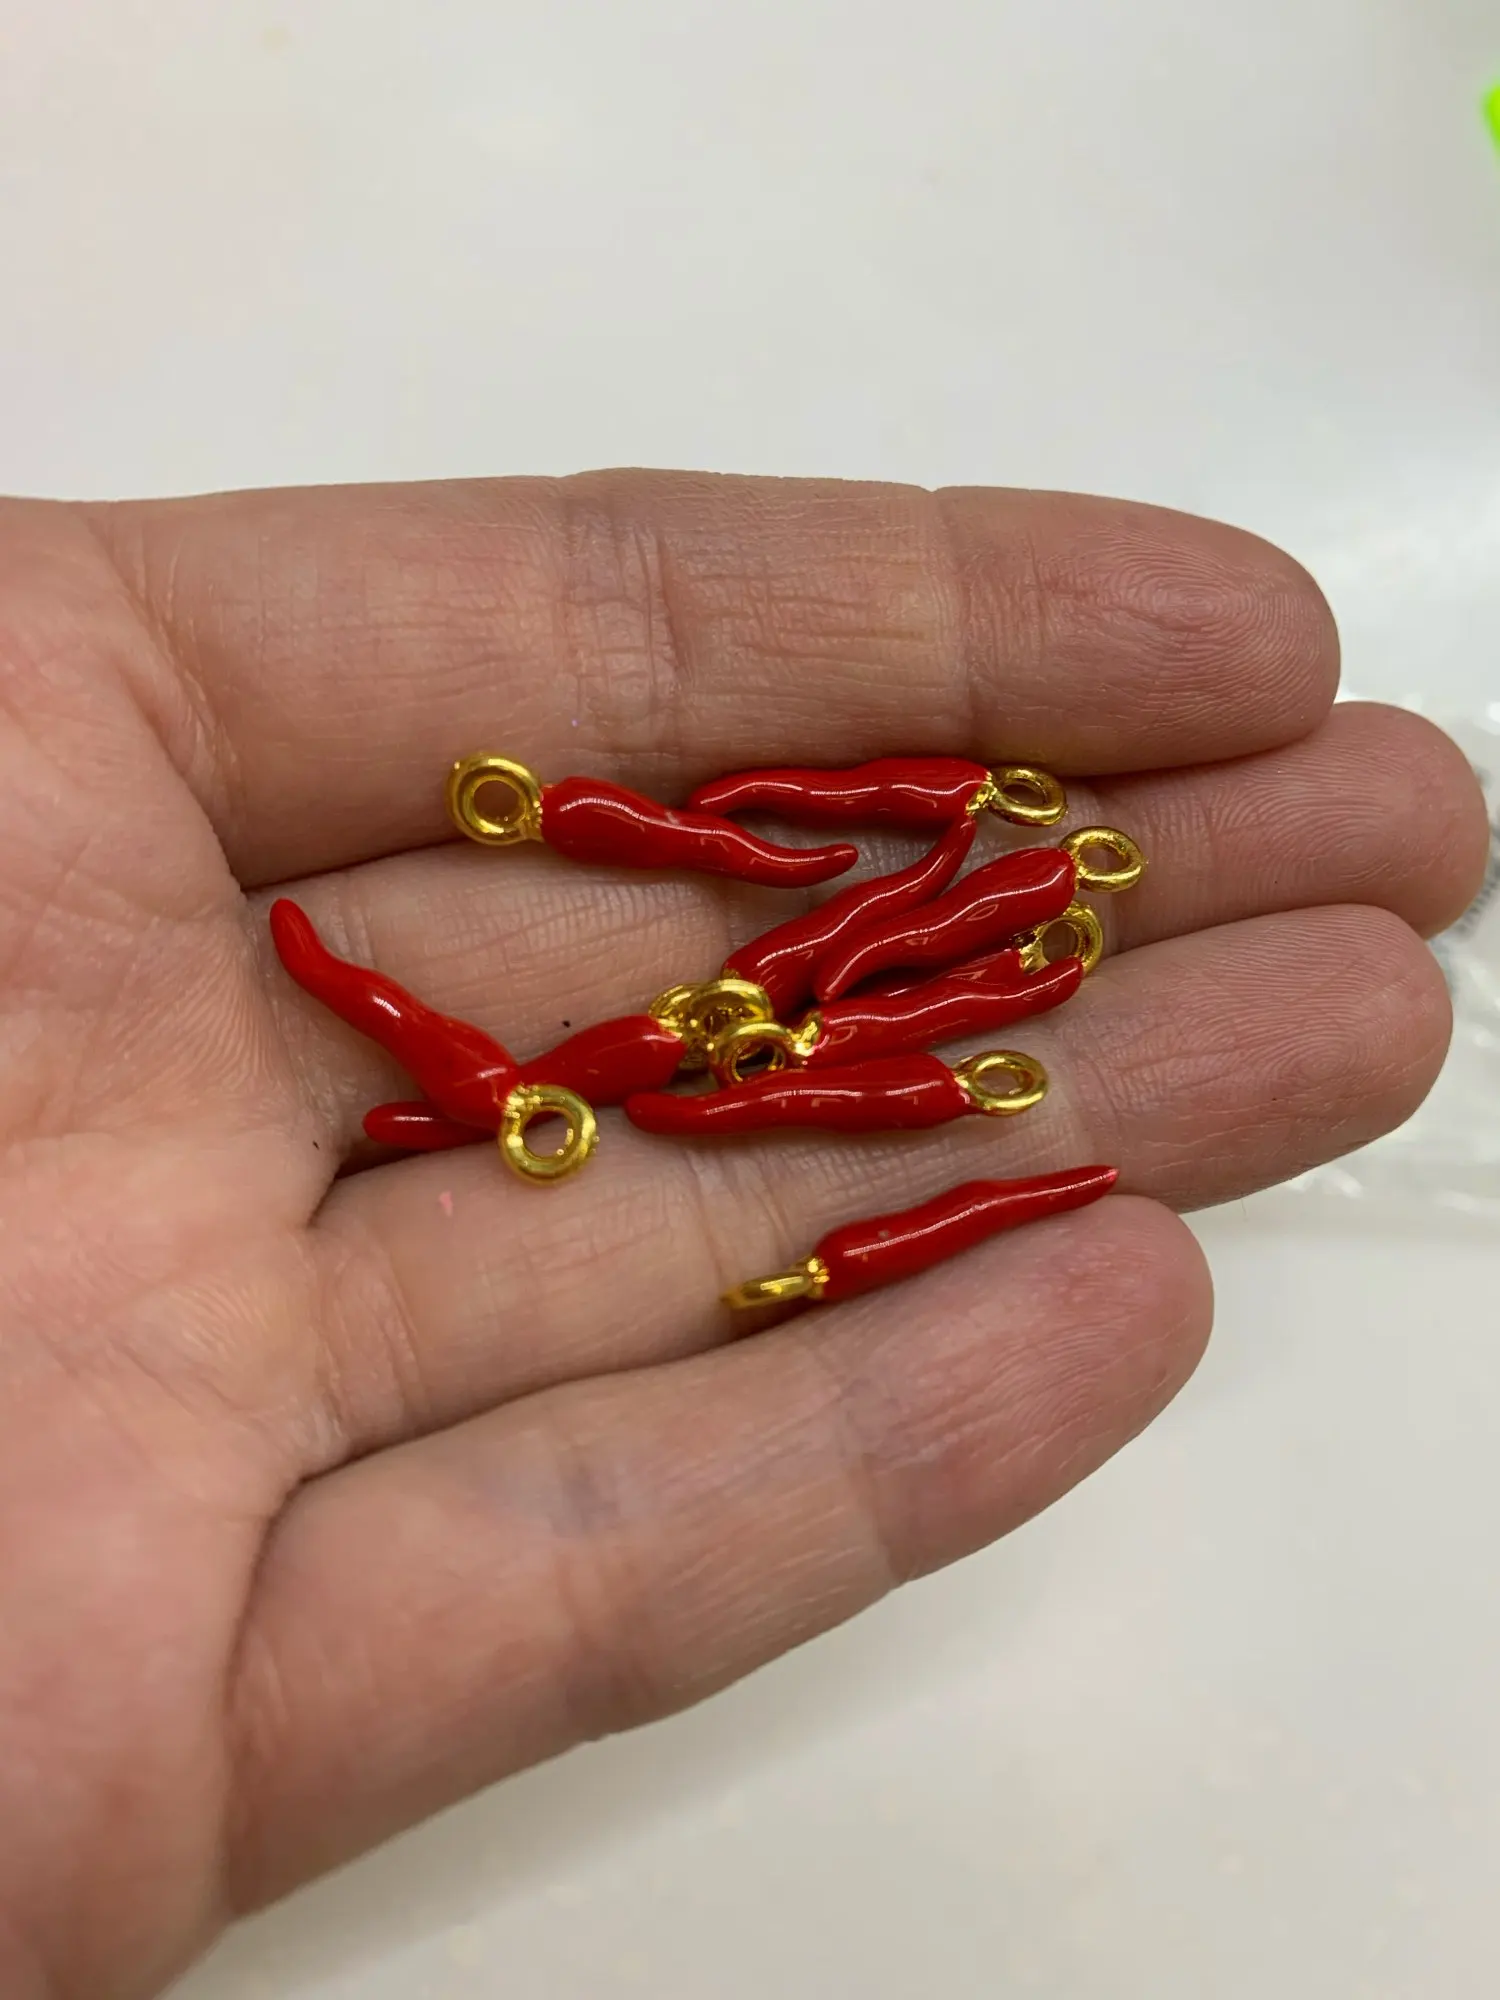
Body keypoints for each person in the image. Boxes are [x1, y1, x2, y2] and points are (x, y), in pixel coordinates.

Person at [0, 470, 1487, 2000]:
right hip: (712, 1021)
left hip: (786, 1003)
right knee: (771, 912)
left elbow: (855, 913)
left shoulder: (892, 956)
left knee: (849, 914)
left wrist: (848, 967)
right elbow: (790, 899)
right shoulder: (700, 1013)